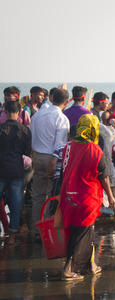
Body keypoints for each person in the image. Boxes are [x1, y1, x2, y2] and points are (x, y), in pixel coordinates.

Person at [60, 114, 115, 281]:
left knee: (80, 232)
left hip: (68, 196)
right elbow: (103, 176)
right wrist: (111, 197)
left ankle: (91, 266)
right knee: (82, 234)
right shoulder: (95, 150)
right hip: (87, 198)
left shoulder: (68, 147)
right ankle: (68, 270)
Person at [30, 88, 70, 242]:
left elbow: (32, 137)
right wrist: (53, 165)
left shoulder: (38, 114)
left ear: (52, 98)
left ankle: (36, 230)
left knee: (38, 196)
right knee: (51, 195)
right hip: (51, 159)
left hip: (37, 156)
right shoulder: (61, 118)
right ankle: (46, 231)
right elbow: (59, 147)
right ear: (66, 102)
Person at [0, 101, 32, 245]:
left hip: (1, 168)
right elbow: (27, 153)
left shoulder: (1, 128)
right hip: (17, 169)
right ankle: (12, 236)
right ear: (20, 112)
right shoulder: (25, 130)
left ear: (5, 112)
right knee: (16, 203)